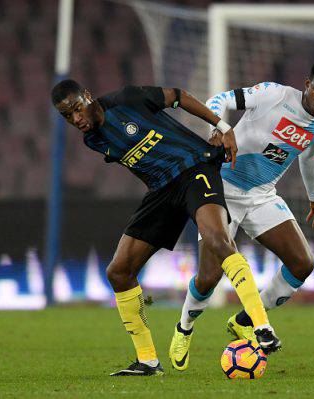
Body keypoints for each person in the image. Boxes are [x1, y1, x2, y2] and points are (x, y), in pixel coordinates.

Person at [51, 80, 281, 376]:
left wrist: (223, 127)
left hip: (194, 167)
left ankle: (261, 326)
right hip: (161, 189)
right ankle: (147, 361)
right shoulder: (92, 139)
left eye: (76, 110)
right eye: (67, 117)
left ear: (87, 96)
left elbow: (179, 97)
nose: (76, 119)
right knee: (119, 272)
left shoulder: (127, 98)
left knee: (218, 241)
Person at [169, 58, 314, 371]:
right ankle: (184, 328)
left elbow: (309, 158)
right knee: (209, 277)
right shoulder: (274, 94)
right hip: (221, 188)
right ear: (307, 83)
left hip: (261, 194)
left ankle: (244, 320)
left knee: (302, 264)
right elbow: (219, 100)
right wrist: (219, 129)